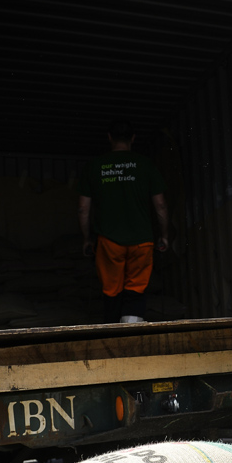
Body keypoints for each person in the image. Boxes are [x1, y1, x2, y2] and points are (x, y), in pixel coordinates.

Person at [78, 119, 168, 324]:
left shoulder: (94, 166)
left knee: (111, 289)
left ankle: (112, 331)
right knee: (136, 287)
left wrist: (87, 239)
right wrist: (164, 235)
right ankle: (131, 325)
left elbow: (83, 208)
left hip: (109, 242)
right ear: (133, 138)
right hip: (142, 241)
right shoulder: (146, 165)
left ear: (109, 137)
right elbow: (161, 206)